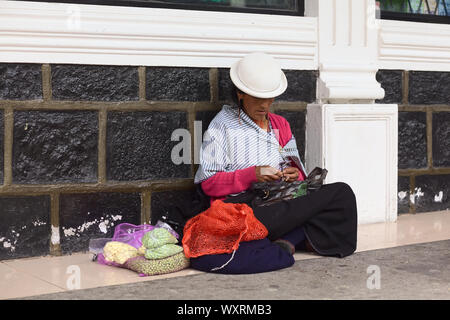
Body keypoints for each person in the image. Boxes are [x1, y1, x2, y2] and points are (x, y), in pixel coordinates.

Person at [189, 52, 357, 273]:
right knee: (307, 213)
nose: (265, 105)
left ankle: (288, 237)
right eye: (258, 99)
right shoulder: (222, 126)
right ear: (240, 94)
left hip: (281, 200)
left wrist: (294, 174)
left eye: (269, 98)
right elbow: (209, 183)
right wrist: (253, 174)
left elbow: (300, 175)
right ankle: (294, 237)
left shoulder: (280, 125)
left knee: (341, 193)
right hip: (246, 209)